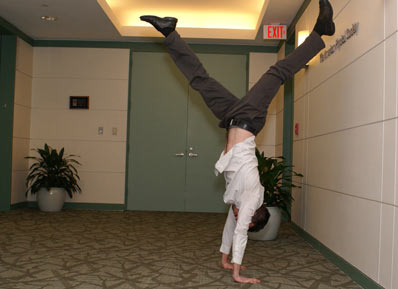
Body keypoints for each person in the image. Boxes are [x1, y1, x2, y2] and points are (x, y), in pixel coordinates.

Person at [140, 0, 335, 283]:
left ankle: (170, 33)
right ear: (253, 215)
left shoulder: (235, 200)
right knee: (276, 73)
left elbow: (230, 231)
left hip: (231, 117)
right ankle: (320, 32)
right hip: (249, 119)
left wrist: (223, 255)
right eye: (243, 217)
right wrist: (236, 271)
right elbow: (241, 232)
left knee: (201, 82)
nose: (235, 216)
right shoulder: (252, 197)